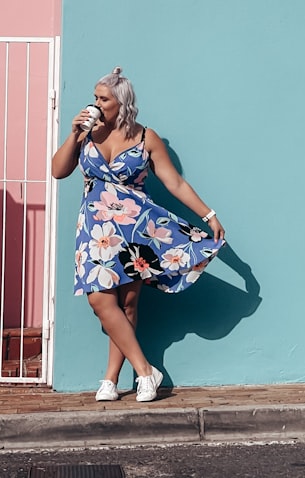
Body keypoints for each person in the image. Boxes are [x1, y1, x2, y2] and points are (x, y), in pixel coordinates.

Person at [51, 67, 226, 403]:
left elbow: (174, 183)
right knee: (100, 300)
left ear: (122, 103)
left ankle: (110, 380)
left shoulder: (146, 137)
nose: (96, 104)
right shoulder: (87, 134)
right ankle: (146, 371)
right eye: (95, 98)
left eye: (104, 99)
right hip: (95, 229)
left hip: (134, 229)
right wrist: (74, 134)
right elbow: (58, 171)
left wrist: (209, 215)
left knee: (128, 303)